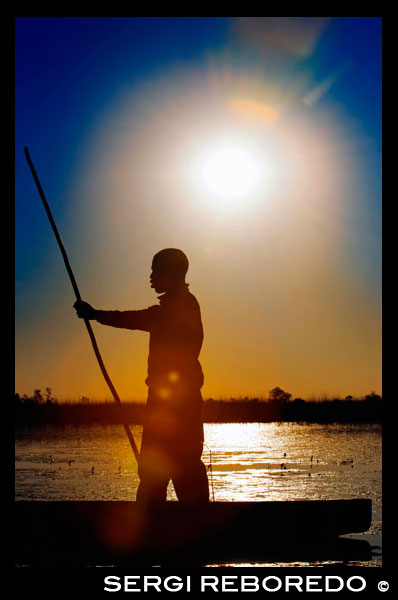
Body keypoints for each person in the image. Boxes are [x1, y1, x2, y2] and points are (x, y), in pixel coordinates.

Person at [74, 248, 209, 502]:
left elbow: (139, 319)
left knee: (179, 468)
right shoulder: (178, 305)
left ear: (171, 274)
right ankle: (173, 523)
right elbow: (145, 319)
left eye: (155, 270)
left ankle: (178, 525)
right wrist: (96, 315)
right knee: (164, 471)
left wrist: (96, 315)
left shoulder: (178, 308)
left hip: (176, 404)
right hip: (169, 400)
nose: (150, 276)